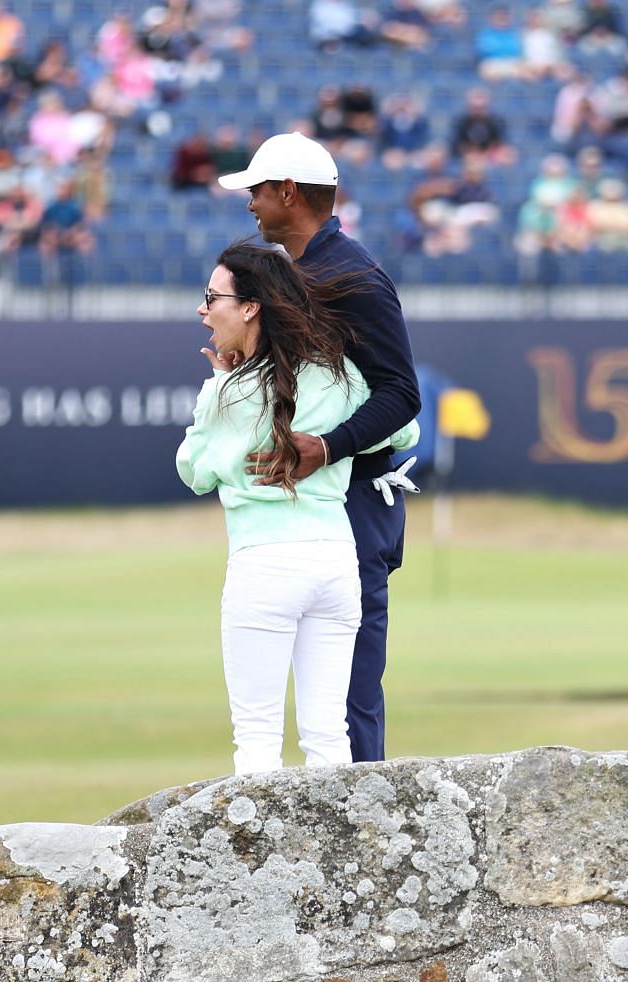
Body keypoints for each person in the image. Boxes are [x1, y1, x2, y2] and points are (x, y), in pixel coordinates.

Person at [178, 243, 419, 774]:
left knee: (258, 740)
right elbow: (404, 427)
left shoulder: (230, 392)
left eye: (211, 296)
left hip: (264, 565)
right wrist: (332, 443)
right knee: (329, 737)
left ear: (250, 308)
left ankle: (257, 859)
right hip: (336, 562)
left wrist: (220, 383)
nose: (202, 308)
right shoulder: (340, 377)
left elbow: (195, 470)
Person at [220, 133, 422, 762]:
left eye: (256, 190)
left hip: (355, 498)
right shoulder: (295, 274)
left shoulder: (353, 276)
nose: (250, 202)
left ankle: (364, 843)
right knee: (323, 704)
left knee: (346, 698)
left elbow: (401, 393)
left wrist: (328, 447)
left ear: (287, 192)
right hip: (317, 506)